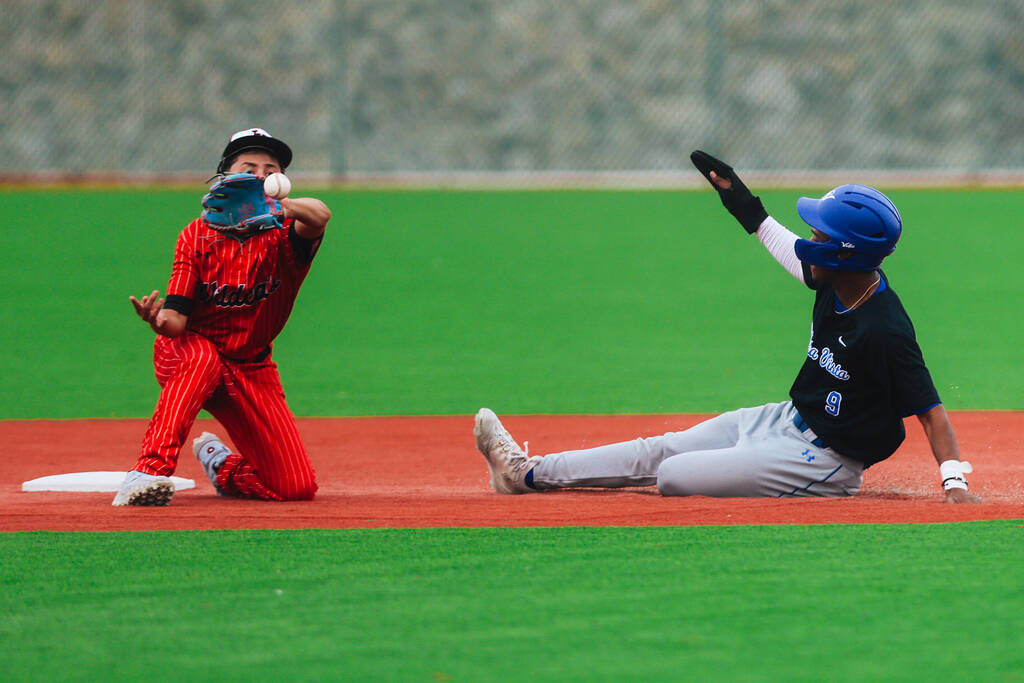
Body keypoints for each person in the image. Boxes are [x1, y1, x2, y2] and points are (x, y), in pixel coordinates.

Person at [473, 150, 980, 504]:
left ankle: (541, 476)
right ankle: (525, 473)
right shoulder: (838, 278)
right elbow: (782, 244)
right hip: (784, 419)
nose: (809, 239)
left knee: (673, 476)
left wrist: (953, 482)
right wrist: (741, 200)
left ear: (845, 253)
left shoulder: (886, 328)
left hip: (825, 462)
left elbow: (931, 412)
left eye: (820, 233)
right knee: (662, 449)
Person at [113, 128, 331, 506]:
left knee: (295, 487)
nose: (261, 174)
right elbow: (176, 322)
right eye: (249, 166)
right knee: (201, 358)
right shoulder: (196, 235)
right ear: (226, 175)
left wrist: (280, 207)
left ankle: (222, 466)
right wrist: (155, 320)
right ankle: (147, 472)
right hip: (188, 352)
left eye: (270, 168)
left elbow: (320, 215)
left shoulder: (283, 233)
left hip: (250, 366)